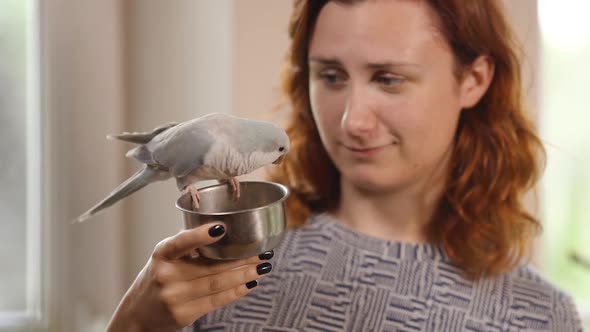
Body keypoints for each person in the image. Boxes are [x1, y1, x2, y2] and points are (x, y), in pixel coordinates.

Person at [107, 0, 584, 331]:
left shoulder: (542, 317)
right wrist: (134, 326)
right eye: (331, 76)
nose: (352, 120)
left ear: (474, 80)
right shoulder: (221, 270)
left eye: (389, 79)